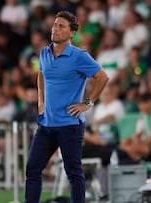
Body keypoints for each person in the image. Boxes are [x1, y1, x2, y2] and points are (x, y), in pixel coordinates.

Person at [25, 11, 109, 203]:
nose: (55, 29)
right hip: (46, 124)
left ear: (72, 33)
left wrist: (87, 103)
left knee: (73, 172)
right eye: (55, 25)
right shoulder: (45, 52)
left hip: (69, 125)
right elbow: (41, 74)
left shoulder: (79, 56)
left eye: (61, 26)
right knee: (32, 169)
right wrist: (41, 101)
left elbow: (102, 77)